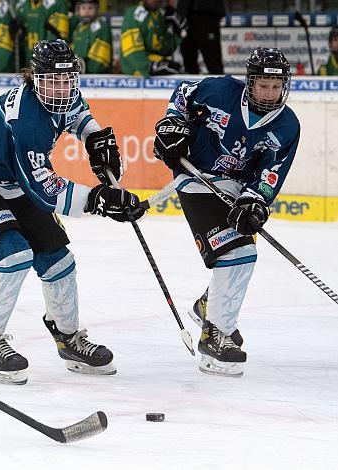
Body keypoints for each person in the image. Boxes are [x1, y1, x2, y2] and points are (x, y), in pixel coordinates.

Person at [0, 39, 145, 385]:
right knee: (14, 253)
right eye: (52, 81)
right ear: (33, 79)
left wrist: (94, 139)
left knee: (58, 261)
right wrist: (100, 199)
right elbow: (45, 191)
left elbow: (77, 114)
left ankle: (68, 338)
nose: (61, 89)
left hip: (9, 178)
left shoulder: (66, 92)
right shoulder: (25, 119)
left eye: (67, 81)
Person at [152, 47, 300, 377]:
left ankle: (209, 307)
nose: (269, 93)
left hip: (236, 188)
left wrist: (254, 201)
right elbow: (184, 92)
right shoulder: (220, 90)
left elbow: (271, 173)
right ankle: (214, 337)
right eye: (263, 85)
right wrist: (173, 125)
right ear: (249, 83)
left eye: (276, 87)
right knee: (240, 253)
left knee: (241, 249)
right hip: (196, 178)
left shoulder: (288, 125)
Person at [120, 0, 185, 77]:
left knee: (181, 73)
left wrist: (178, 33)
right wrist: (149, 67)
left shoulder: (158, 15)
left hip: (154, 62)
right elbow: (132, 51)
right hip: (136, 70)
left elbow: (165, 49)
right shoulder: (135, 14)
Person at [15, 0, 70, 69]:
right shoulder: (21, 5)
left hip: (48, 60)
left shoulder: (58, 4)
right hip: (27, 56)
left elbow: (60, 41)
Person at [176, 0, 225, 74]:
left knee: (212, 58)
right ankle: (191, 83)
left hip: (207, 14)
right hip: (186, 14)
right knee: (187, 54)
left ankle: (219, 83)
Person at [70, 0, 113, 74]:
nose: (86, 11)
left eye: (90, 8)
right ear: (78, 10)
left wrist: (82, 67)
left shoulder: (101, 26)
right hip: (79, 72)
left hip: (96, 75)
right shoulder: (78, 27)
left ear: (97, 10)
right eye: (83, 8)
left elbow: (99, 62)